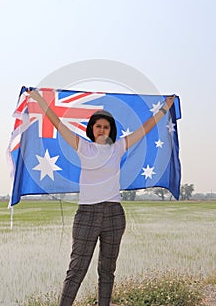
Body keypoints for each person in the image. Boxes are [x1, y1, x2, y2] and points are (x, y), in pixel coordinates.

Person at [28, 89, 175, 306]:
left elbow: (144, 129)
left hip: (114, 215)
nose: (102, 129)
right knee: (77, 269)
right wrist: (39, 99)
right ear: (92, 129)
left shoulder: (118, 147)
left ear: (111, 130)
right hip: (87, 214)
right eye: (98, 126)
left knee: (107, 271)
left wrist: (165, 108)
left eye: (106, 126)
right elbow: (58, 123)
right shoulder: (82, 146)